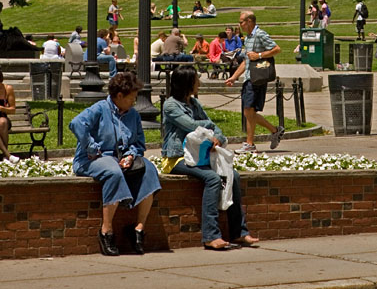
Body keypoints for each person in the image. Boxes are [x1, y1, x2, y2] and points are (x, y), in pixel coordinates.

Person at [161, 65, 259, 250]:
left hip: (199, 157)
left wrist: (218, 139)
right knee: (213, 179)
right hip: (177, 158)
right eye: (196, 80)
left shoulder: (194, 104)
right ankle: (210, 236)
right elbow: (191, 125)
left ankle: (239, 232)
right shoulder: (171, 105)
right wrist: (208, 127)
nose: (199, 82)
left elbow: (215, 130)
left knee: (233, 176)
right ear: (187, 83)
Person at [69, 71, 161, 256]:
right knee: (113, 171)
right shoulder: (99, 108)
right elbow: (76, 123)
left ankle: (138, 230)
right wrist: (90, 146)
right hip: (92, 159)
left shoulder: (133, 115)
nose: (134, 102)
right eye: (132, 98)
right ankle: (106, 231)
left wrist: (131, 154)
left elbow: (138, 144)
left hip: (122, 160)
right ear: (119, 96)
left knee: (150, 170)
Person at [225, 11, 283, 154]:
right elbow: (246, 61)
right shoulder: (248, 38)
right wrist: (234, 77)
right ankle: (274, 130)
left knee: (248, 110)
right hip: (249, 78)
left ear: (250, 21)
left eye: (241, 22)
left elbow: (277, 49)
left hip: (257, 78)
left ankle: (250, 144)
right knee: (248, 112)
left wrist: (259, 55)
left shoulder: (260, 34)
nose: (240, 25)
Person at [0, 70, 19, 163]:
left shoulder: (8, 89)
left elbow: (13, 110)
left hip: (3, 118)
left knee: (2, 122)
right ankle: (8, 155)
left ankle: (5, 155)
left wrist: (1, 108)